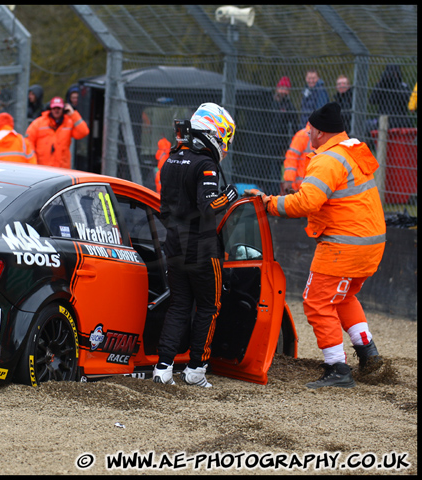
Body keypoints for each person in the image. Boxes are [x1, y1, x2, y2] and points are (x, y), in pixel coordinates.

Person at [256, 102, 386, 389]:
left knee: (317, 302)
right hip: (370, 244)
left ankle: (337, 367)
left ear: (319, 132)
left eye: (310, 129)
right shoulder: (352, 152)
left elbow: (306, 202)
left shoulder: (327, 160)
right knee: (342, 297)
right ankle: (368, 354)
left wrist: (269, 204)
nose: (307, 133)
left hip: (344, 244)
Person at [152, 103, 238, 388]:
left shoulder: (171, 158)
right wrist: (231, 196)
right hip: (201, 248)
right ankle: (196, 369)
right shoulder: (205, 164)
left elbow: (163, 209)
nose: (224, 145)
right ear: (213, 132)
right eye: (224, 138)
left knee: (178, 306)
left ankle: (163, 368)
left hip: (174, 244)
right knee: (208, 307)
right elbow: (208, 205)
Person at [25, 96, 89, 169]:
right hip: (42, 168)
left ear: (63, 109)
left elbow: (83, 132)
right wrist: (33, 162)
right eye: (54, 108)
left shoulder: (69, 123)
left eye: (59, 108)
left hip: (62, 169)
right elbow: (29, 142)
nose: (56, 110)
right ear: (50, 108)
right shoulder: (39, 123)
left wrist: (73, 114)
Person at [369, 64, 412, 130]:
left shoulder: (403, 86)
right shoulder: (382, 85)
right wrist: (382, 83)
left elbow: (406, 101)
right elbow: (372, 101)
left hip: (399, 119)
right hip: (383, 117)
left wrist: (395, 83)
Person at [281, 123, 313, 194]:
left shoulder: (325, 137)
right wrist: (289, 180)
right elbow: (291, 158)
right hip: (300, 187)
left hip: (311, 186)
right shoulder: (302, 136)